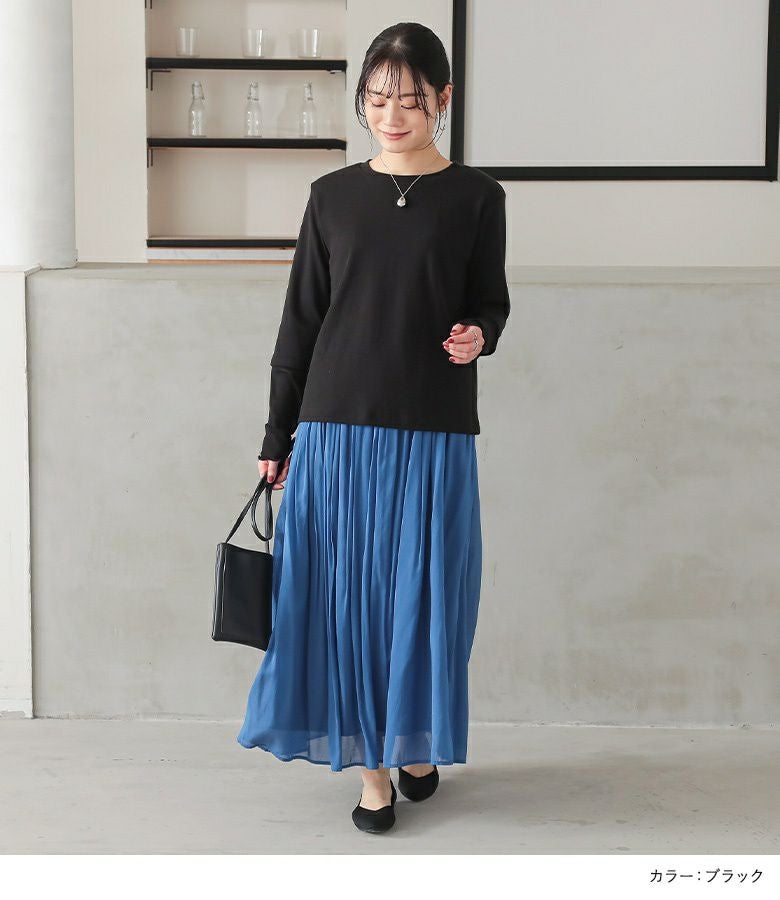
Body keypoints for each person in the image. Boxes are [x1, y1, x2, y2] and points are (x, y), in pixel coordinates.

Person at [236, 21, 511, 834]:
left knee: (426, 601)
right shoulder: (332, 197)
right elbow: (301, 323)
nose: (391, 115)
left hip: (433, 431)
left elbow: (490, 302)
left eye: (410, 100)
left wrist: (479, 333)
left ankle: (414, 740)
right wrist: (277, 438)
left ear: (444, 99)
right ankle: (374, 772)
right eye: (377, 98)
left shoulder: (478, 198)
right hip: (337, 431)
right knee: (345, 601)